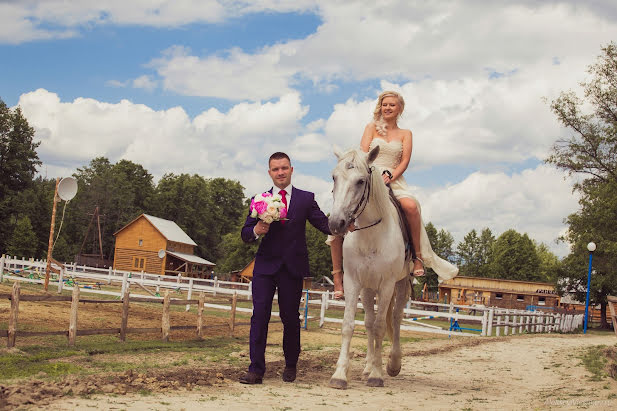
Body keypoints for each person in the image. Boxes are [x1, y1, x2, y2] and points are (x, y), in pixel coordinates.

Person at [328, 91, 458, 298]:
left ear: (400, 109)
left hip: (393, 178)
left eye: (392, 105)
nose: (388, 108)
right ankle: (337, 276)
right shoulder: (370, 128)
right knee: (339, 213)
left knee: (410, 207)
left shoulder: (406, 134)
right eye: (384, 105)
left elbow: (404, 161)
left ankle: (416, 257)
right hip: (369, 178)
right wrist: (371, 175)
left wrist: (392, 174)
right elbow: (363, 157)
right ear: (380, 107)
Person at [240, 152, 331, 384]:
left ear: (291, 170)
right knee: (259, 316)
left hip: (292, 267)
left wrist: (347, 226)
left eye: (284, 168)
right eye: (275, 169)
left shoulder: (306, 199)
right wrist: (256, 230)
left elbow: (324, 224)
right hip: (264, 267)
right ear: (269, 172)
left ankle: (291, 365)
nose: (280, 172)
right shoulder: (259, 200)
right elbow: (245, 234)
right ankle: (255, 370)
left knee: (290, 318)